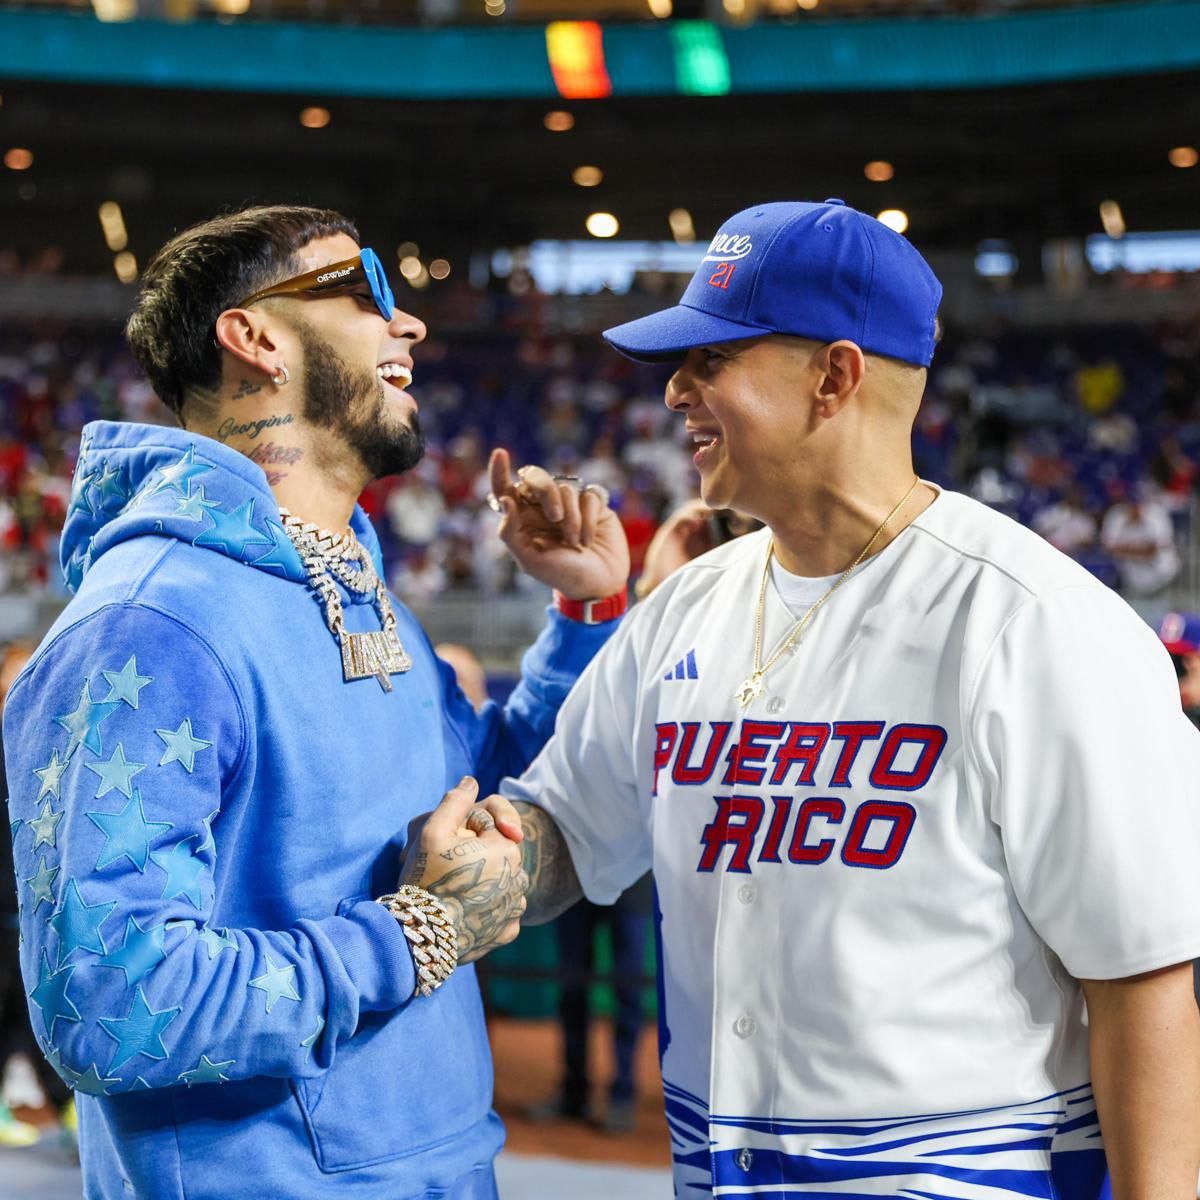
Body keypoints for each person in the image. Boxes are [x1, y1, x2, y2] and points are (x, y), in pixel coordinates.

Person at [487, 200, 1200, 1199]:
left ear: (835, 376)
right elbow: (559, 826)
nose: (677, 391)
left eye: (713, 359)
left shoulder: (1042, 626)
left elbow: (1146, 987)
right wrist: (468, 862)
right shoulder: (679, 611)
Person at [2, 205, 631, 1199]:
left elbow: (474, 804)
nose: (410, 323)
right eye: (366, 290)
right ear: (253, 337)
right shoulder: (151, 626)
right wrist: (413, 934)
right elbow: (110, 1003)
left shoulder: (349, 591)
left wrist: (584, 614)